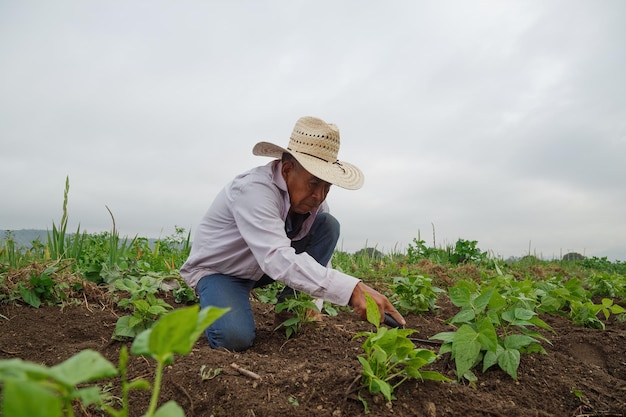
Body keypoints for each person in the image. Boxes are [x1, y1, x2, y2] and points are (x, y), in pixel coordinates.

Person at [180, 116, 405, 351]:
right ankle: (212, 301)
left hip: (260, 268)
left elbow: (318, 260)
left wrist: (312, 302)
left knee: (327, 224)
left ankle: (290, 307)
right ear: (287, 169)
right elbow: (277, 257)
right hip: (222, 271)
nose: (319, 195)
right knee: (234, 338)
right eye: (313, 184)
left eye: (327, 187)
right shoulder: (254, 191)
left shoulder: (314, 203)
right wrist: (351, 289)